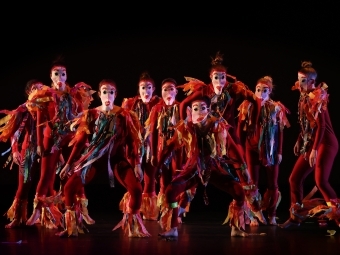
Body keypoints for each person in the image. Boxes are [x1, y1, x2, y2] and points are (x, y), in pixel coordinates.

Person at [56, 79, 150, 237]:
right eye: (105, 92)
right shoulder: (91, 114)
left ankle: (133, 226)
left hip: (116, 159)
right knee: (69, 188)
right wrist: (69, 164)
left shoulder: (124, 115)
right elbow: (79, 143)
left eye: (111, 92)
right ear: (99, 94)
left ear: (115, 94)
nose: (108, 95)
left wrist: (137, 164)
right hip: (94, 159)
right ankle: (72, 226)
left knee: (136, 189)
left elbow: (131, 143)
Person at [158, 94, 253, 238]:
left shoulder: (217, 126)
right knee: (171, 192)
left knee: (239, 192)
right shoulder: (185, 127)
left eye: (203, 108)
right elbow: (170, 146)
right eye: (196, 108)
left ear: (208, 110)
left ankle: (236, 227)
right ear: (191, 111)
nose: (200, 112)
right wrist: (159, 164)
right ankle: (173, 228)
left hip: (212, 167)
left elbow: (232, 147)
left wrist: (243, 167)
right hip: (193, 169)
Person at [279, 61, 339, 228]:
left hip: (326, 143)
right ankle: (296, 217)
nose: (301, 83)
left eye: (304, 80)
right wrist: (300, 139)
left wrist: (313, 150)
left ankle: (338, 217)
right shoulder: (304, 96)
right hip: (313, 142)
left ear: (313, 81)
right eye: (299, 79)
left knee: (321, 181)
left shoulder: (317, 96)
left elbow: (320, 126)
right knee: (294, 178)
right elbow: (308, 124)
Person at [25, 58, 83, 229]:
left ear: (66, 76)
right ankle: (36, 211)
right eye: (56, 73)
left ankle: (71, 211)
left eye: (63, 74)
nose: (60, 77)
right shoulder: (45, 95)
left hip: (68, 138)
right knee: (46, 175)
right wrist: (39, 143)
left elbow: (81, 114)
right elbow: (40, 120)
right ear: (51, 76)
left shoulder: (73, 95)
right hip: (50, 139)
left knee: (71, 174)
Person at [237, 76, 290, 225]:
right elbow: (240, 131)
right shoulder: (247, 105)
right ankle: (254, 214)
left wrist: (279, 151)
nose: (261, 92)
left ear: (270, 91)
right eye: (258, 89)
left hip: (270, 150)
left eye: (264, 90)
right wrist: (240, 150)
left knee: (273, 184)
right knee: (252, 183)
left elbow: (280, 132)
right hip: (251, 148)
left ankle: (272, 214)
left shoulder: (276, 107)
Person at [0, 80, 44, 228]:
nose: (38, 90)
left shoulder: (47, 106)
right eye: (34, 89)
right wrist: (14, 151)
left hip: (45, 149)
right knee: (24, 184)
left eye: (40, 88)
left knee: (44, 184)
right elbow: (14, 132)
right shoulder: (23, 109)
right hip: (28, 150)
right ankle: (18, 217)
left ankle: (42, 216)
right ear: (28, 93)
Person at [145, 78, 187, 222]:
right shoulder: (156, 109)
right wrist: (155, 154)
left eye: (171, 89)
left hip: (177, 151)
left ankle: (175, 211)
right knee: (163, 181)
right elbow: (153, 133)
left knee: (176, 179)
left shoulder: (181, 108)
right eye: (165, 89)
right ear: (161, 92)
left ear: (176, 91)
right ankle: (165, 211)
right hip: (162, 150)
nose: (168, 92)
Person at [121, 72, 160, 220]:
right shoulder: (130, 104)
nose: (146, 91)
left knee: (150, 179)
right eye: (143, 87)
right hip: (134, 147)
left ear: (154, 88)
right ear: (139, 89)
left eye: (149, 87)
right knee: (134, 179)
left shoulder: (159, 103)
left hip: (152, 146)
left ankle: (149, 212)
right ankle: (132, 208)